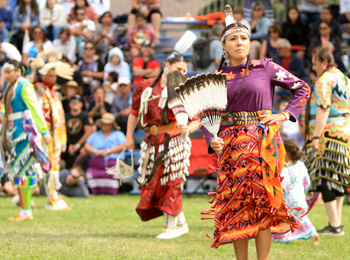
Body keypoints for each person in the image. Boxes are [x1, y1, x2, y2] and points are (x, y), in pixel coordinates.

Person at [201, 22, 310, 258]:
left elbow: (302, 88)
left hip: (262, 147)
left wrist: (283, 114)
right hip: (230, 150)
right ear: (224, 46)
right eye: (233, 39)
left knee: (264, 205)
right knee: (237, 208)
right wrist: (211, 139)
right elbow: (206, 116)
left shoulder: (265, 68)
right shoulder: (216, 78)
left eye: (243, 38)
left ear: (250, 43)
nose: (239, 42)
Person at [125, 54, 200, 239]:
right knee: (155, 184)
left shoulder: (185, 88)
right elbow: (134, 112)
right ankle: (180, 224)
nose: (182, 73)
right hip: (152, 142)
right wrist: (128, 137)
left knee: (172, 182)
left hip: (175, 141)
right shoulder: (146, 87)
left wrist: (188, 129)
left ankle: (171, 228)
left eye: (184, 70)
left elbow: (198, 118)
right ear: (167, 66)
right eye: (178, 69)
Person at [304, 47, 350, 236]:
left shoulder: (324, 81)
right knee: (337, 177)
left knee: (325, 177)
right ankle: (337, 223)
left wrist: (315, 136)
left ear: (324, 62)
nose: (314, 68)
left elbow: (323, 108)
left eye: (315, 63)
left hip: (327, 133)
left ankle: (335, 225)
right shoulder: (345, 79)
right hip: (344, 130)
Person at [2, 60, 51, 221]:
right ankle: (25, 209)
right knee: (19, 170)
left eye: (9, 71)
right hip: (13, 133)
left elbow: (34, 108)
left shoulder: (24, 86)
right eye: (5, 72)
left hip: (23, 133)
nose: (6, 74)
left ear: (18, 71)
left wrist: (44, 131)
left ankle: (26, 211)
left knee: (23, 170)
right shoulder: (10, 87)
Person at [272, 139, 319, 245]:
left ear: (286, 153)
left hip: (290, 202)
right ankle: (313, 233)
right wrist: (304, 193)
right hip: (301, 200)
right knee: (302, 218)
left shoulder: (285, 170)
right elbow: (306, 181)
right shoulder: (301, 165)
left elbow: (284, 186)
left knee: (285, 220)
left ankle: (284, 238)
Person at [36, 62, 69, 210]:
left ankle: (52, 196)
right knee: (37, 166)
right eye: (50, 75)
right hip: (43, 135)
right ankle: (24, 196)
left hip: (55, 136)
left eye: (55, 75)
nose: (53, 78)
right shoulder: (37, 91)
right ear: (42, 75)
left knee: (52, 165)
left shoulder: (54, 93)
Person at [83, 113, 126, 195]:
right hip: (96, 161)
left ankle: (112, 191)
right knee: (90, 172)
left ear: (112, 125)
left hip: (113, 161)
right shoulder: (95, 135)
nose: (105, 125)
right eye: (103, 124)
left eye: (107, 124)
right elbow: (86, 146)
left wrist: (108, 151)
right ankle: (94, 191)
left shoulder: (118, 134)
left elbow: (123, 146)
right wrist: (96, 152)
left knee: (115, 170)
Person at [62, 95, 93, 169]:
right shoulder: (65, 116)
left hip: (81, 144)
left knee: (84, 152)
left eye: (77, 101)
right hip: (68, 144)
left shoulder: (85, 116)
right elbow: (63, 132)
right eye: (72, 101)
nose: (74, 103)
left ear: (81, 104)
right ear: (69, 104)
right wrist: (69, 145)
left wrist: (77, 145)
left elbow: (88, 132)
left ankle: (76, 169)